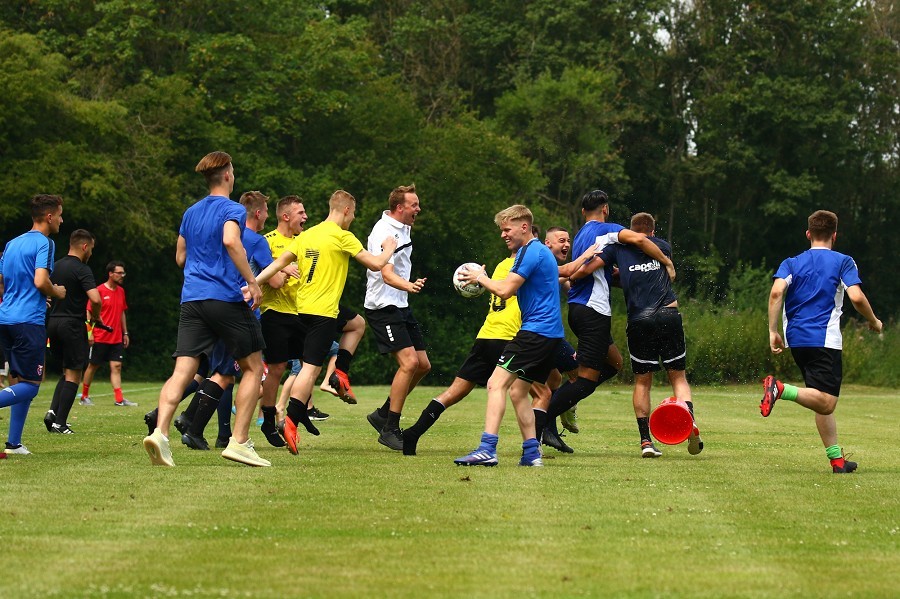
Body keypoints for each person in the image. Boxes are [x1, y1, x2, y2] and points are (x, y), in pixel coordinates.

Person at [143, 151, 269, 467]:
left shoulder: (191, 212)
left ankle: (160, 434)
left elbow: (180, 257)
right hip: (225, 297)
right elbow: (230, 240)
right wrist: (251, 281)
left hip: (192, 299)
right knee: (253, 367)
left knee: (183, 370)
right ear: (227, 175)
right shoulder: (232, 209)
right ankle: (239, 442)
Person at [255, 190, 397, 456]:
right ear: (345, 210)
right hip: (322, 313)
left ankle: (339, 372)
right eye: (353, 214)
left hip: (302, 309)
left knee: (356, 324)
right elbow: (377, 264)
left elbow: (277, 265)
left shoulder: (307, 236)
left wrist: (252, 284)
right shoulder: (343, 237)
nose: (352, 219)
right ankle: (291, 422)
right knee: (309, 370)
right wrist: (389, 248)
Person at [761, 210, 882, 474]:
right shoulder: (843, 262)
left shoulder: (791, 262)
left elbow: (776, 293)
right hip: (824, 339)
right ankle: (780, 389)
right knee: (827, 402)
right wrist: (873, 321)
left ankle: (837, 460)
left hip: (796, 338)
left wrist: (773, 330)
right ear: (835, 235)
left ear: (808, 234)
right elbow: (857, 298)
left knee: (818, 397)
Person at [547, 189, 675, 436]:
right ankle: (548, 413)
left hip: (582, 309)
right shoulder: (606, 230)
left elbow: (589, 270)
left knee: (614, 363)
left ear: (583, 211)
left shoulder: (582, 234)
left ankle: (567, 397)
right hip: (592, 310)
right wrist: (667, 263)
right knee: (585, 380)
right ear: (605, 209)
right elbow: (639, 239)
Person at [454, 204, 564, 467]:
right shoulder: (534, 252)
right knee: (518, 392)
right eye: (501, 230)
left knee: (495, 384)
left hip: (536, 332)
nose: (503, 235)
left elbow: (504, 291)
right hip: (549, 335)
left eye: (507, 229)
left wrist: (481, 277)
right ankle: (531, 453)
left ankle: (487, 448)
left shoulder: (531, 251)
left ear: (524, 227)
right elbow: (511, 289)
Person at [594, 212, 703, 457]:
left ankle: (645, 441)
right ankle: (690, 420)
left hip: (639, 319)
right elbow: (649, 270)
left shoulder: (618, 250)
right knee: (678, 377)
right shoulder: (662, 246)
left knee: (643, 381)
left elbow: (624, 277)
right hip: (668, 313)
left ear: (632, 230)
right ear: (652, 231)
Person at [363, 184, 430, 452]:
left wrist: (407, 288)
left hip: (400, 304)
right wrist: (409, 285)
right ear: (400, 207)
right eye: (414, 205)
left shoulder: (403, 227)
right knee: (409, 362)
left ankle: (382, 414)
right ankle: (390, 427)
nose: (418, 209)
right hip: (383, 307)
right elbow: (387, 275)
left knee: (423, 365)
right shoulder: (385, 231)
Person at [0, 194, 67, 456]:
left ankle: (14, 444)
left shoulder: (12, 243)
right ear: (49, 217)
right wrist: (56, 291)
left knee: (19, 382)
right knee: (31, 386)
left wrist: (36, 297)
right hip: (28, 322)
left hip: (5, 319)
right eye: (60, 215)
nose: (62, 220)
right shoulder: (45, 243)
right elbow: (41, 281)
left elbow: (5, 281)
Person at [257, 195, 306, 446]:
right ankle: (268, 421)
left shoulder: (304, 242)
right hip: (274, 312)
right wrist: (284, 267)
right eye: (300, 213)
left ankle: (300, 414)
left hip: (302, 312)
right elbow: (274, 282)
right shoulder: (268, 242)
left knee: (311, 363)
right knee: (276, 368)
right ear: (286, 216)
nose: (305, 217)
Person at [45, 229, 103, 434]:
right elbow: (95, 299)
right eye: (92, 249)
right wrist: (95, 315)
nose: (91, 254)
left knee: (66, 370)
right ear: (85, 246)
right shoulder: (82, 269)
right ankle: (61, 423)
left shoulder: (56, 266)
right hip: (72, 324)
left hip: (53, 323)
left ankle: (52, 413)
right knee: (74, 373)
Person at [80, 260, 134, 406]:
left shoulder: (121, 291)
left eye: (123, 272)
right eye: (119, 273)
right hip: (100, 337)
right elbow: (88, 313)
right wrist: (89, 333)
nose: (122, 275)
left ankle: (119, 399)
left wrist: (125, 333)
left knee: (116, 366)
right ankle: (84, 396)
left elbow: (122, 312)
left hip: (116, 338)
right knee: (93, 366)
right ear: (110, 274)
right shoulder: (99, 291)